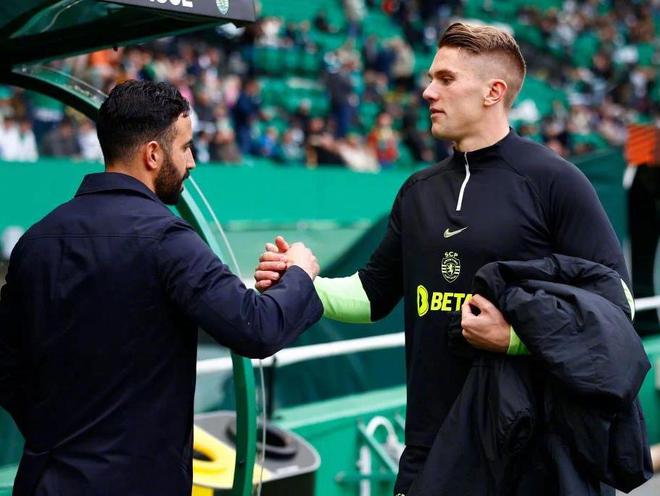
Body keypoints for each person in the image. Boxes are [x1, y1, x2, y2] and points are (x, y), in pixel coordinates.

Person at [254, 23, 633, 495]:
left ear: (494, 92)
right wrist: (301, 280)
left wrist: (516, 338)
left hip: (530, 455)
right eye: (431, 77)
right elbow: (372, 295)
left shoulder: (556, 182)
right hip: (430, 447)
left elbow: (617, 304)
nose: (428, 91)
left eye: (446, 79)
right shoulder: (418, 191)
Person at [0, 80, 323, 495]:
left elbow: (6, 366)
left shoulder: (35, 241)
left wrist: (53, 437)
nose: (192, 161)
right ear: (153, 154)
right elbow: (256, 328)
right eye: (185, 147)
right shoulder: (168, 239)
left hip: (45, 481)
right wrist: (299, 273)